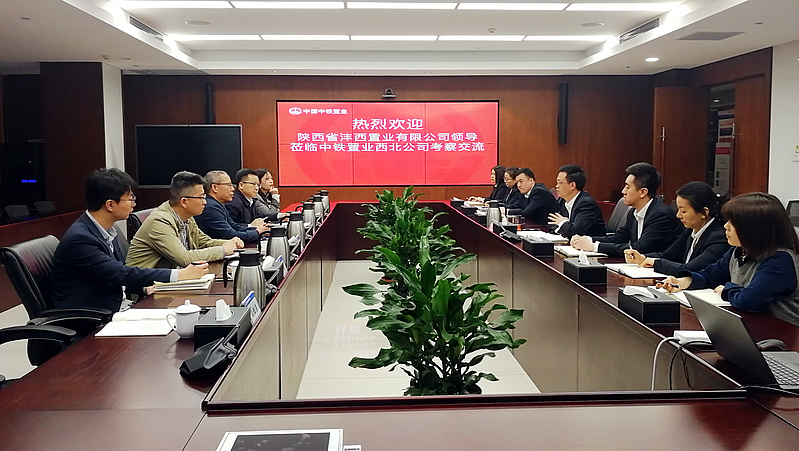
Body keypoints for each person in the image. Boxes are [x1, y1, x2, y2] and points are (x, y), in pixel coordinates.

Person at [51, 168, 208, 312]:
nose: (134, 203)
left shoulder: (107, 231)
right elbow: (120, 272)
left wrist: (144, 289)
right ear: (110, 204)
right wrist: (179, 275)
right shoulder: (80, 239)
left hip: (120, 307)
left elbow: (113, 274)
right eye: (130, 198)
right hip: (93, 318)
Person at [658, 192, 799, 327]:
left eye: (733, 223)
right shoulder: (739, 251)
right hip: (750, 325)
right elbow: (710, 276)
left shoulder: (780, 260)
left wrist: (726, 289)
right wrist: (683, 281)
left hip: (782, 334)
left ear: (753, 228)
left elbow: (748, 301)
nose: (726, 226)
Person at [127, 171, 243, 269]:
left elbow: (204, 242)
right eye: (201, 197)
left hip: (173, 277)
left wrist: (230, 243)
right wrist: (223, 250)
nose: (205, 202)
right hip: (148, 285)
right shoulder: (159, 221)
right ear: (184, 201)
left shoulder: (187, 217)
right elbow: (184, 258)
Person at [570, 162, 681, 257]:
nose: (623, 191)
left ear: (643, 192)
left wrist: (594, 247)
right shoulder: (634, 211)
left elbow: (639, 248)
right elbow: (618, 238)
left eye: (627, 187)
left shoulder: (660, 215)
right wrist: (587, 240)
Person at [624, 181, 729, 276]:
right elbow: (669, 255)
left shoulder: (718, 238)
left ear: (704, 212)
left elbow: (690, 269)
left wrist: (655, 263)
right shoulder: (690, 230)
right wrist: (643, 258)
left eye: (683, 211)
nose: (678, 215)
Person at [195, 170, 269, 243]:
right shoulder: (211, 207)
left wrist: (259, 229)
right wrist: (257, 232)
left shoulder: (218, 204)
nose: (233, 189)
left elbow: (234, 226)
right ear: (215, 187)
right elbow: (230, 235)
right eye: (229, 185)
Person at [547, 164, 606, 238]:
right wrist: (566, 225)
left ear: (572, 185)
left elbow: (576, 232)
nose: (557, 186)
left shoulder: (586, 204)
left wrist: (563, 222)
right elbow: (552, 224)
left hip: (589, 244)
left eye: (560, 183)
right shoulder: (562, 200)